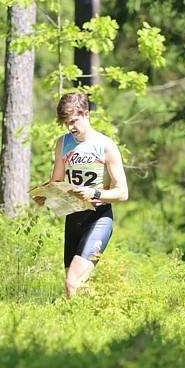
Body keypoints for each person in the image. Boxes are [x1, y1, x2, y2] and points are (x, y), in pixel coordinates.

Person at [33, 92, 128, 298]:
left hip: (98, 219)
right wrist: (45, 195)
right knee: (77, 288)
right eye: (66, 123)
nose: (71, 127)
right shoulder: (63, 143)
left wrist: (93, 193)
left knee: (71, 282)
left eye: (74, 121)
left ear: (86, 114)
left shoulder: (106, 145)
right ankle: (92, 322)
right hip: (73, 217)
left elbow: (123, 192)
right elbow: (57, 181)